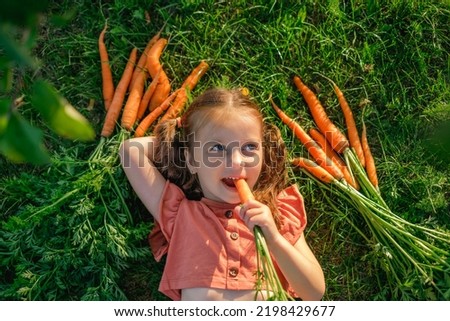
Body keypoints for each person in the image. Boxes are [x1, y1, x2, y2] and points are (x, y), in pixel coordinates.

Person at [119, 87, 325, 301]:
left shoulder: (277, 213)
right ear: (191, 160)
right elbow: (129, 152)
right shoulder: (181, 214)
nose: (236, 162)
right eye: (216, 148)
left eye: (249, 147)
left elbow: (314, 293)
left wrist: (273, 238)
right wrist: (185, 134)